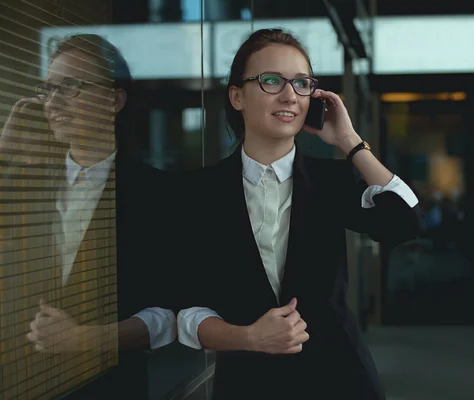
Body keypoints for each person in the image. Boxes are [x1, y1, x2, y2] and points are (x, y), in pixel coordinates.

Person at [174, 28, 422, 400]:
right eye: (271, 80)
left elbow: (404, 222)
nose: (290, 95)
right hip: (246, 383)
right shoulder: (200, 192)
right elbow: (186, 309)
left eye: (302, 83)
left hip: (338, 379)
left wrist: (350, 142)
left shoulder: (331, 180)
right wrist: (248, 337)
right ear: (237, 96)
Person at [0, 34, 177, 399]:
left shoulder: (159, 193)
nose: (53, 103)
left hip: (107, 387)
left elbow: (170, 316)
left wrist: (86, 339)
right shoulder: (21, 184)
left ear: (114, 100)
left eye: (70, 86)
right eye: (48, 90)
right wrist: (5, 147)